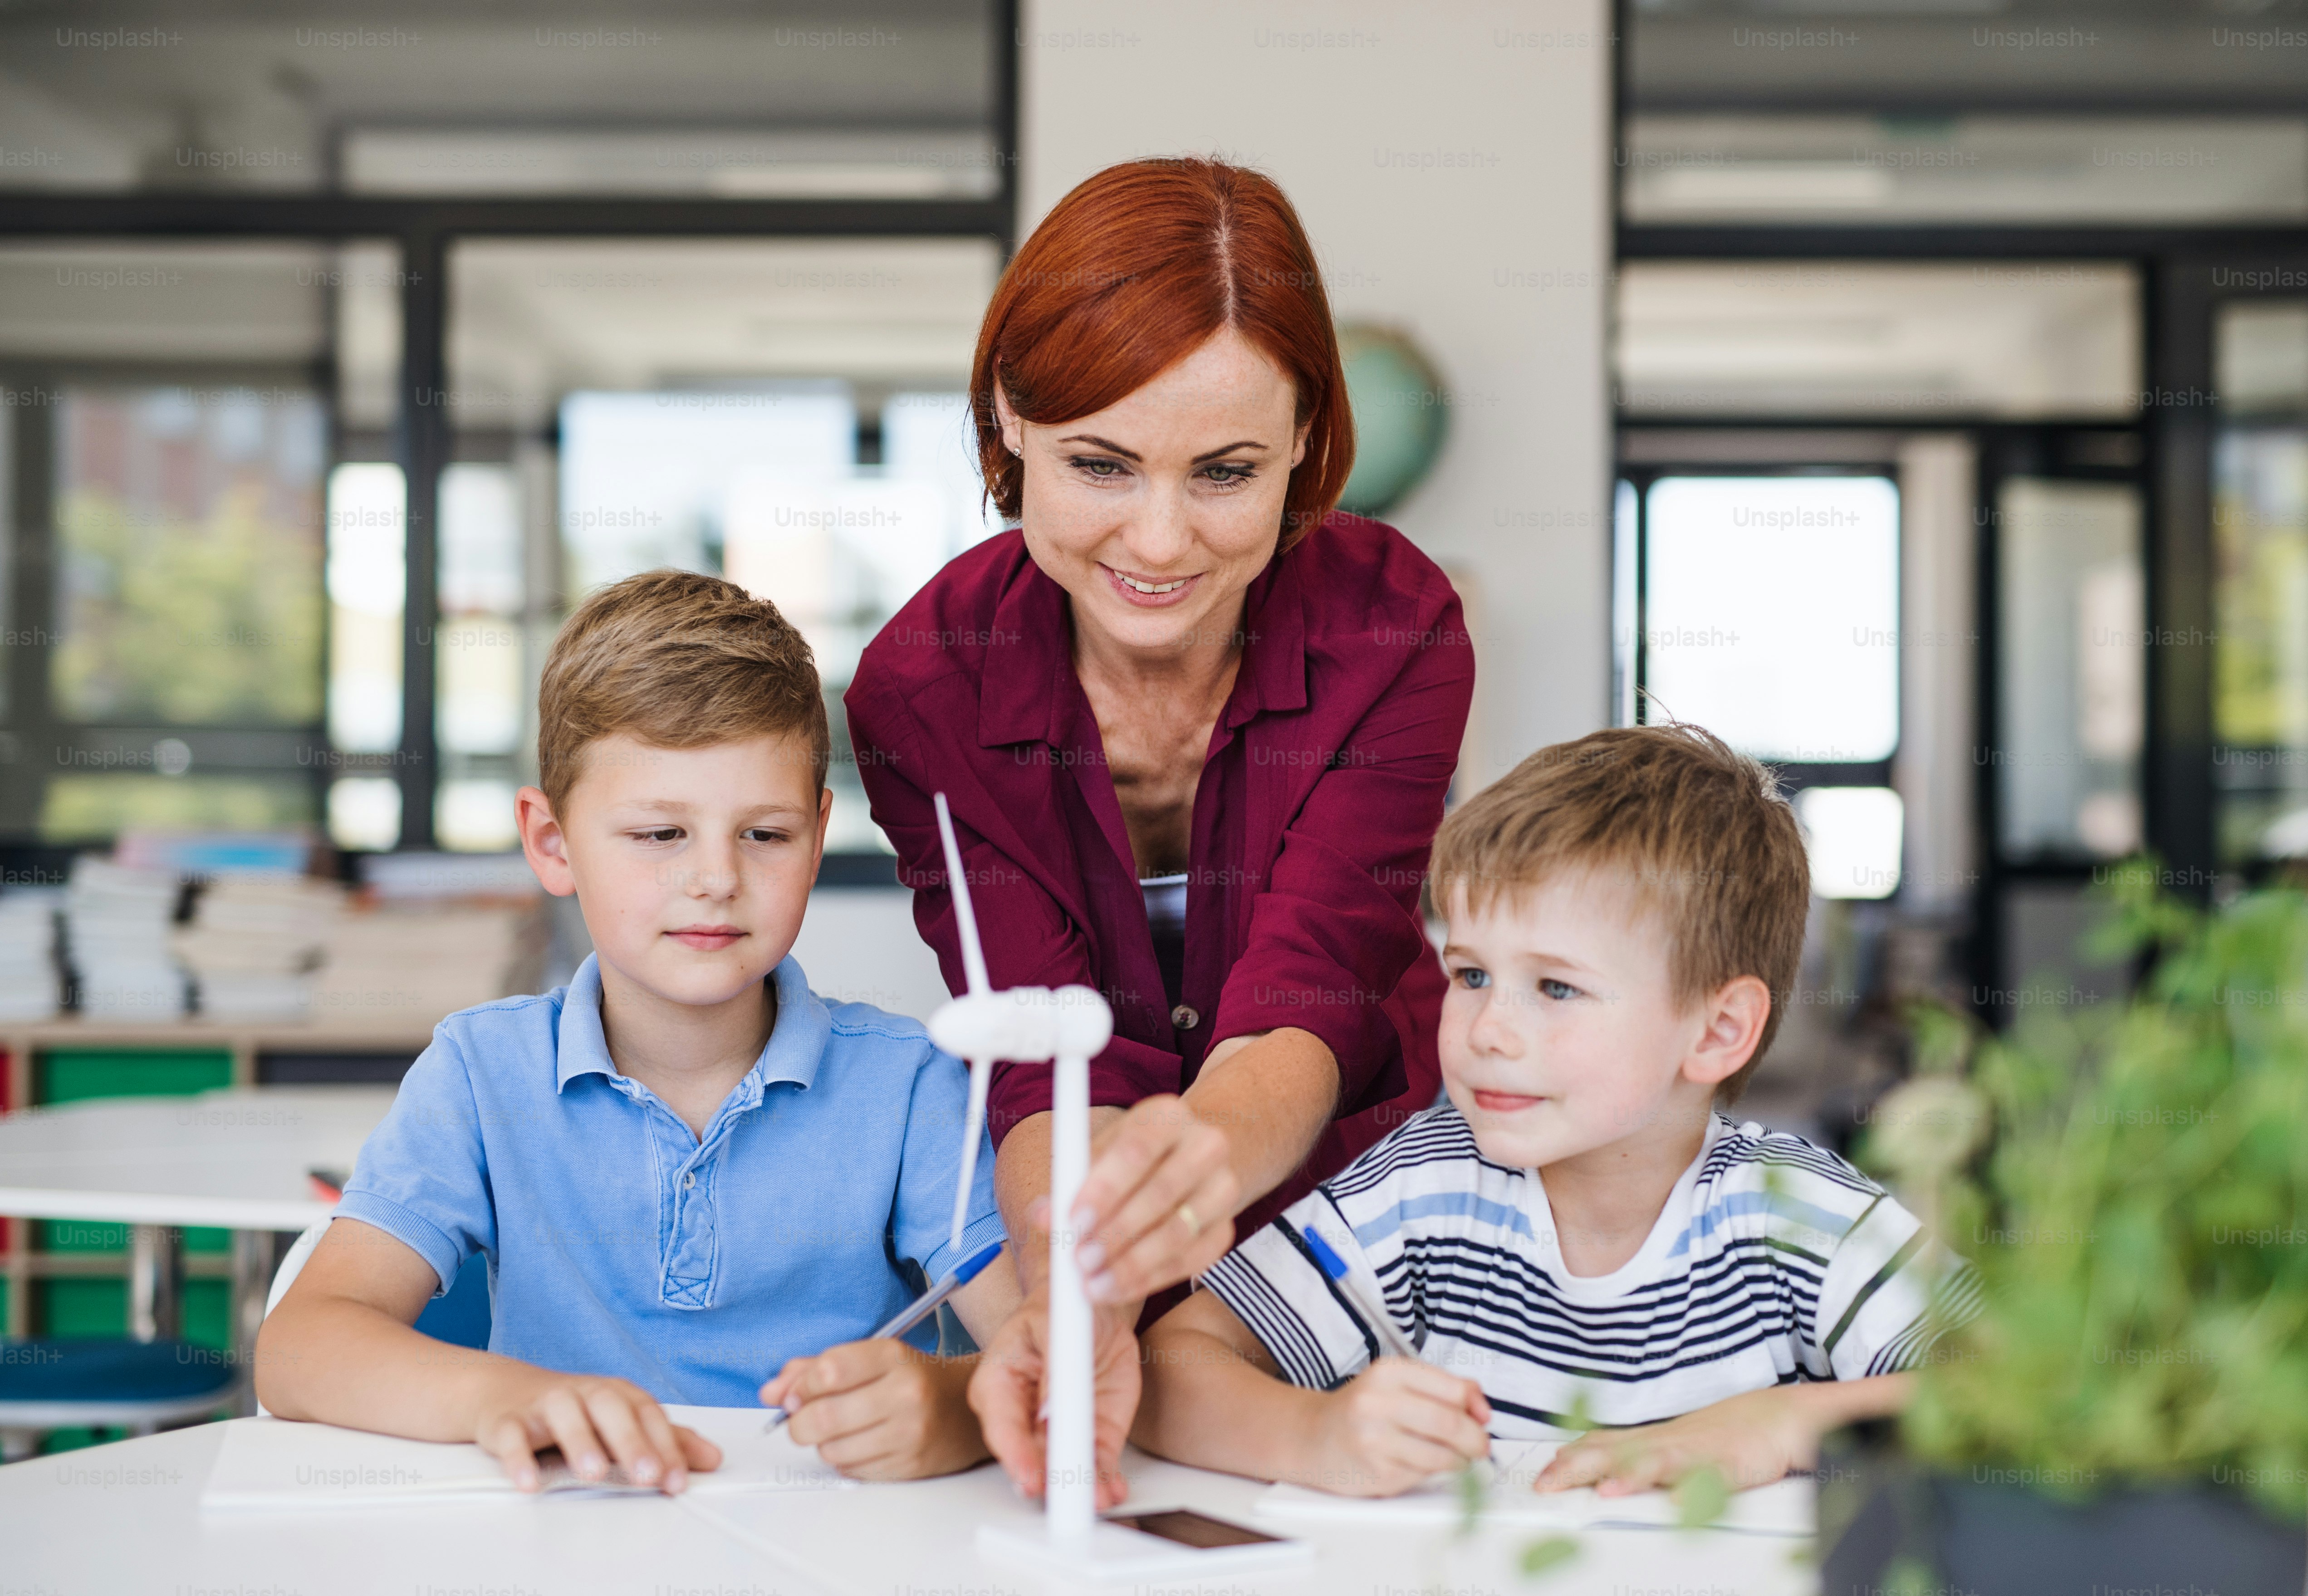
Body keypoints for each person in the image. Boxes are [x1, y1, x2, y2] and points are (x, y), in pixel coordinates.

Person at [844, 157, 1475, 1502]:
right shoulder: (923, 690)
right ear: (1010, 422)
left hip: (1373, 1208)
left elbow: (1317, 977)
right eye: (1101, 463)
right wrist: (1077, 1291)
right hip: (1087, 1218)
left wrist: (1186, 1177)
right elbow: (1037, 1044)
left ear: (1307, 436)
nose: (1163, 537)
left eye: (1227, 470)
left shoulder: (1392, 627)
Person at [257, 571, 1018, 1493]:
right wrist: (502, 1397)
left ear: (818, 838)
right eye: (660, 833)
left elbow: (1052, 1352)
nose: (713, 878)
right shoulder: (480, 1070)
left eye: (764, 835)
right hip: (558, 1548)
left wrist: (954, 1407)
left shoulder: (908, 1087)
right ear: (551, 842)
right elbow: (298, 1348)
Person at [1131, 726, 1977, 1497]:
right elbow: (1167, 1365)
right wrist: (1315, 1433)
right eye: (1471, 975)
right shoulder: (1419, 1189)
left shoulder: (1804, 1219)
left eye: (1557, 986)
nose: (1488, 1030)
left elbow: (2023, 1390)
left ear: (1718, 1031)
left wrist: (1780, 1425)